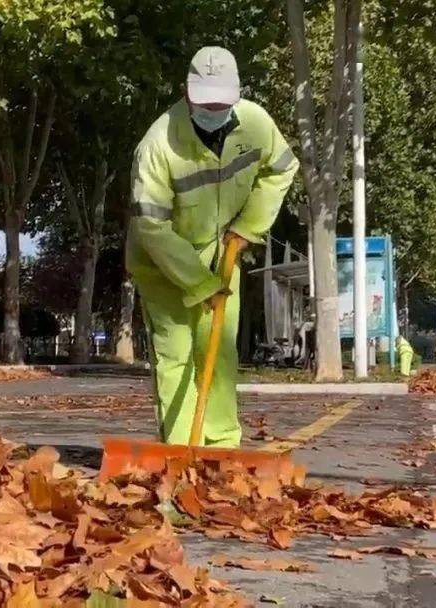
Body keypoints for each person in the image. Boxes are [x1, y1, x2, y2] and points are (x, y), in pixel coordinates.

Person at [126, 46, 298, 447]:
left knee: (219, 354)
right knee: (176, 357)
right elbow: (151, 226)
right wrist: (199, 284)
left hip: (224, 252)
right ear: (187, 94)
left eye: (222, 102)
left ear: (237, 95)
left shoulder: (256, 123)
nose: (214, 109)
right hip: (162, 265)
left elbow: (282, 168)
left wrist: (247, 227)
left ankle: (222, 448)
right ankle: (184, 450)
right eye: (206, 103)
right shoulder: (157, 145)